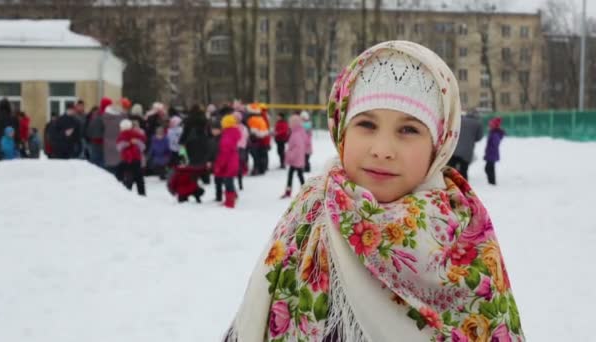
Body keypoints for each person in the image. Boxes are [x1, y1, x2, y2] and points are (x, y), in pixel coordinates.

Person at [224, 41, 524, 342]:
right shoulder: (310, 213)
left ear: (439, 144)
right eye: (366, 124)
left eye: (409, 130)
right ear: (342, 129)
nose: (381, 150)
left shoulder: (465, 234)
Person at [448, 109, 483, 180]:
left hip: (454, 148)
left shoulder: (460, 120)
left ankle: (449, 184)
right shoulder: (478, 123)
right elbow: (479, 138)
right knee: (463, 170)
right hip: (467, 151)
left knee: (451, 169)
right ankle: (463, 186)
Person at [214, 114, 241, 208]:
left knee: (228, 181)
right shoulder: (232, 133)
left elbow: (225, 152)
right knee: (228, 180)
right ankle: (231, 198)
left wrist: (220, 164)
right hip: (233, 160)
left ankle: (230, 202)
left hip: (228, 162)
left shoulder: (227, 136)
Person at [280, 113, 308, 198]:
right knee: (293, 174)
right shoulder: (297, 132)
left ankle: (306, 191)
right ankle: (291, 190)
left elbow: (298, 148)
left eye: (291, 123)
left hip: (296, 159)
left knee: (299, 174)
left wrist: (290, 156)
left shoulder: (297, 134)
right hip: (296, 159)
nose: (289, 125)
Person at [116, 119, 146, 196]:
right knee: (139, 177)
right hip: (136, 159)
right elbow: (143, 147)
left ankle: (126, 192)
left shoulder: (121, 136)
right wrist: (134, 143)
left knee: (128, 176)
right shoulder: (138, 135)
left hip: (127, 159)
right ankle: (141, 193)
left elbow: (119, 147)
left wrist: (128, 143)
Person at [485, 117, 505, 185]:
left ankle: (492, 182)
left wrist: (491, 150)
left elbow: (495, 143)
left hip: (492, 153)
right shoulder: (493, 132)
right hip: (490, 153)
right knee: (489, 168)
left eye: (491, 125)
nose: (489, 126)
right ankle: (491, 182)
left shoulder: (495, 134)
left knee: (488, 168)